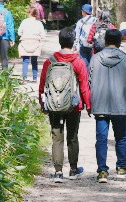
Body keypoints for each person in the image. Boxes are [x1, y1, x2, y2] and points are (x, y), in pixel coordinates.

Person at [88, 27, 126, 185]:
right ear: (120, 42)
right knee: (121, 137)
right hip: (120, 105)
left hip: (100, 105)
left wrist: (89, 102)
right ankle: (121, 167)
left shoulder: (96, 58)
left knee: (101, 139)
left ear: (105, 41)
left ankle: (102, 171)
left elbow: (89, 81)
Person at [38, 29, 91, 179]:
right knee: (72, 136)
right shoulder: (78, 61)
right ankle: (73, 170)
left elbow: (43, 85)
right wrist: (88, 105)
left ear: (60, 41)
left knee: (57, 137)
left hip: (54, 105)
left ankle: (58, 172)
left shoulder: (50, 61)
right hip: (74, 106)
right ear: (73, 42)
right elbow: (84, 86)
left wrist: (43, 103)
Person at [16, 3, 45, 83]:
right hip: (35, 43)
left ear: (29, 13)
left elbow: (19, 33)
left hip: (25, 43)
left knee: (25, 61)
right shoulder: (39, 23)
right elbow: (42, 35)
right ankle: (35, 78)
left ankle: (24, 77)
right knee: (34, 61)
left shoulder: (24, 22)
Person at [74, 2, 98, 67]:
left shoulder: (80, 22)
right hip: (93, 45)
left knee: (84, 64)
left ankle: (86, 75)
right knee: (93, 63)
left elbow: (77, 35)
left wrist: (75, 46)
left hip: (83, 45)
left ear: (84, 12)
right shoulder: (96, 20)